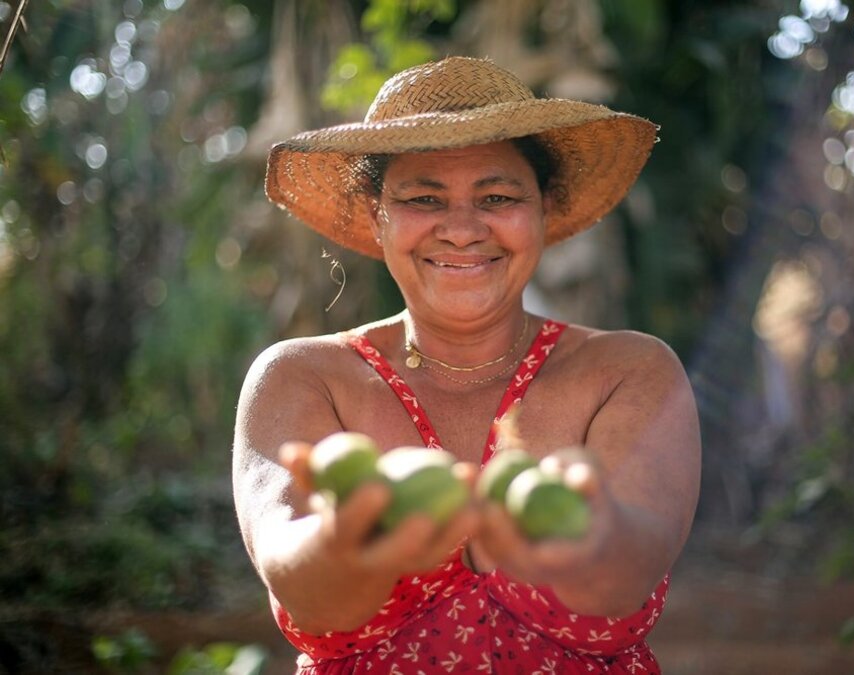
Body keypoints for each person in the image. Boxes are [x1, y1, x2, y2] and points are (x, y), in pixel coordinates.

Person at [233, 56, 701, 674]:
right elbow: (304, 587)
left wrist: (590, 538)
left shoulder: (628, 371)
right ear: (380, 217)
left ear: (543, 209)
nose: (460, 229)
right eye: (424, 198)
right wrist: (345, 542)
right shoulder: (304, 377)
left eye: (498, 196)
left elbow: (622, 578)